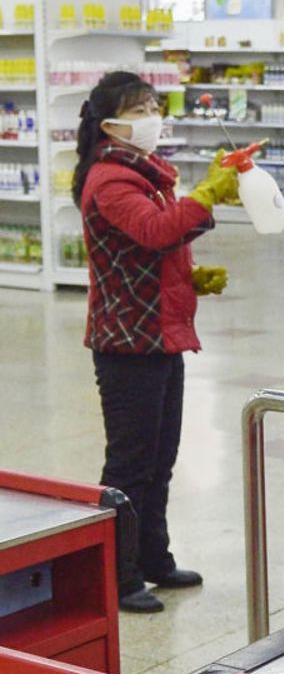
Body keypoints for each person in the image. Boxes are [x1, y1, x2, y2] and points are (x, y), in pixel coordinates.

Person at [75, 71, 240, 613]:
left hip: (159, 334)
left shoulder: (145, 173)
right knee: (130, 463)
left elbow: (144, 254)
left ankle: (154, 559)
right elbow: (154, 231)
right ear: (110, 125)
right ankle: (119, 577)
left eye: (153, 105)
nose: (152, 116)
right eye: (140, 108)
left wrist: (190, 280)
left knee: (161, 458)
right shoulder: (110, 181)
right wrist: (209, 192)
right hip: (127, 343)